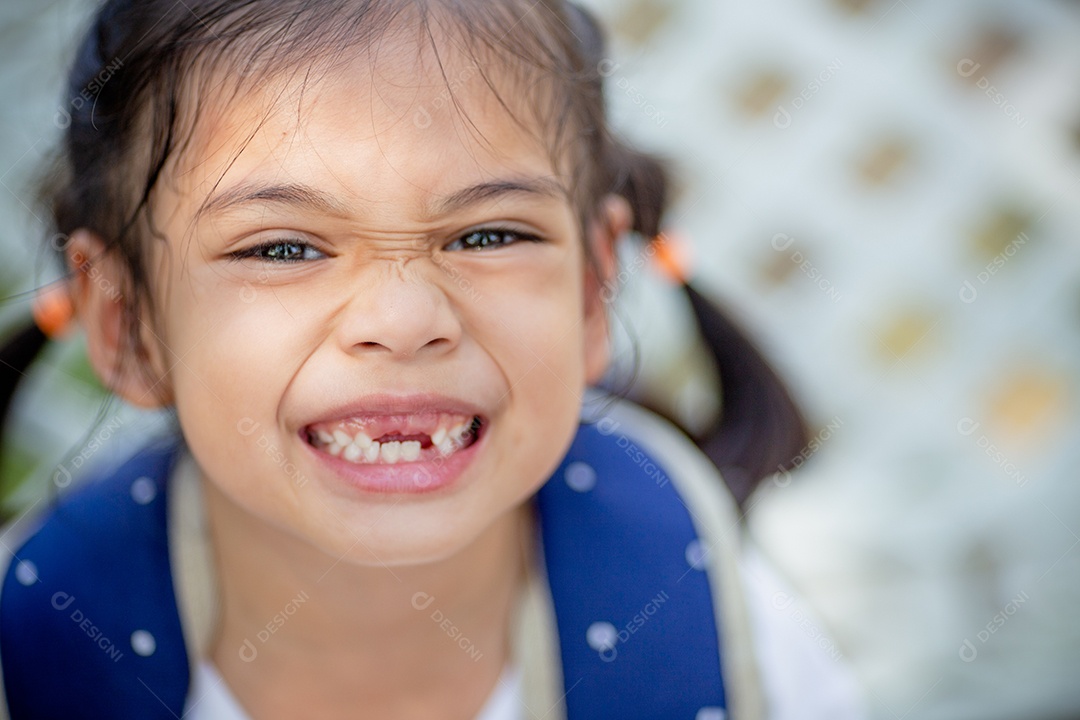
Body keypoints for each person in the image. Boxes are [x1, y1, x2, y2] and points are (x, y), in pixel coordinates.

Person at [0, 0, 864, 717]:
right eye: (284, 248)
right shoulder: (41, 650)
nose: (406, 321)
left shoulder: (709, 617)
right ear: (128, 325)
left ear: (594, 284)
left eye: (488, 234)